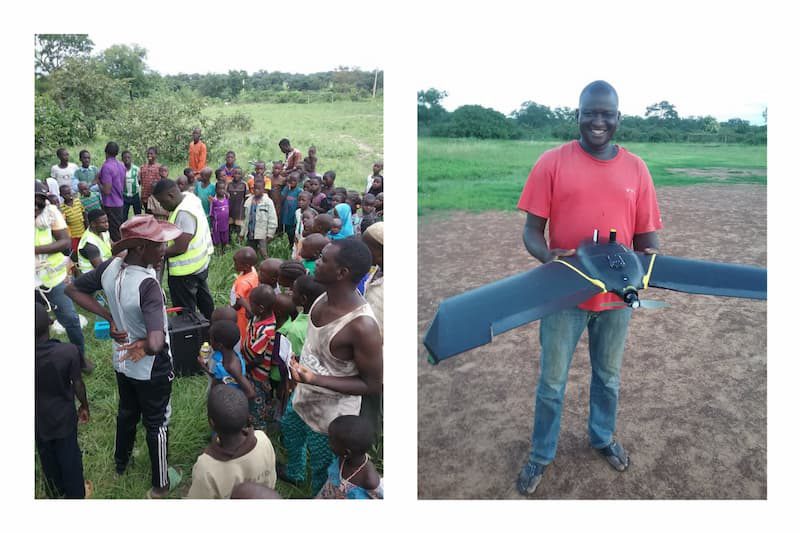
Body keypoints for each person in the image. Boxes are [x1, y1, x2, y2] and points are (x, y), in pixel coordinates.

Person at [514, 80, 663, 496]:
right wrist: (548, 259)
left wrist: (645, 266)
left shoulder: (637, 169)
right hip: (564, 293)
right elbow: (531, 232)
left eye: (607, 114)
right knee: (552, 382)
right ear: (577, 115)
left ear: (618, 118)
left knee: (609, 377)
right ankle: (541, 455)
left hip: (615, 299)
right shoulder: (552, 162)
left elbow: (649, 239)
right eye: (590, 113)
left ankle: (602, 437)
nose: (599, 121)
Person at [66, 215, 184, 498]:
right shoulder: (148, 285)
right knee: (156, 422)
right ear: (141, 247)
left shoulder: (110, 268)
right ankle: (160, 485)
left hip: (121, 361)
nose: (164, 248)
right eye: (159, 244)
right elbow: (156, 342)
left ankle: (121, 463)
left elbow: (72, 288)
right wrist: (144, 340)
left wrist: (109, 316)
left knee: (127, 412)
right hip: (151, 368)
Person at [281, 239, 383, 494]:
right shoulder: (321, 298)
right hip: (303, 394)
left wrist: (315, 379)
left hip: (331, 417)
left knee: (322, 466)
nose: (316, 261)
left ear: (342, 272)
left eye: (323, 259)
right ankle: (294, 472)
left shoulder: (362, 326)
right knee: (289, 430)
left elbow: (372, 384)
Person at [35, 302, 90, 499]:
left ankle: (55, 493)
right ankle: (76, 494)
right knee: (70, 458)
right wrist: (84, 406)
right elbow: (77, 384)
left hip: (39, 420)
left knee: (46, 457)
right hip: (64, 419)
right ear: (50, 324)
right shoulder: (67, 351)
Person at [35, 181, 91, 373]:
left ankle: (80, 358)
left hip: (53, 279)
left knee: (70, 319)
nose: (35, 205)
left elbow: (65, 243)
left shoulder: (51, 213)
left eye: (40, 200)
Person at [186, 386, 277, 499]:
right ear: (247, 417)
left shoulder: (206, 467)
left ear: (211, 423)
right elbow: (271, 483)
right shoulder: (263, 440)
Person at [153, 179, 215, 321]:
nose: (162, 206)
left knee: (186, 313)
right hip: (200, 265)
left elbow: (180, 247)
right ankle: (212, 326)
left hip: (184, 272)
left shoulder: (183, 213)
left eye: (162, 202)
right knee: (204, 300)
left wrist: (158, 253)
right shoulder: (189, 197)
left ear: (171, 195)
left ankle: (192, 338)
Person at [316, 415, 383, 499]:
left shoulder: (369, 479)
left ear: (347, 452)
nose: (328, 443)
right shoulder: (343, 458)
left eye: (331, 441)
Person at [242, 285, 279, 430]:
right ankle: (267, 416)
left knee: (256, 399)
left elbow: (258, 358)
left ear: (261, 308)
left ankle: (259, 429)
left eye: (252, 304)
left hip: (257, 373)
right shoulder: (259, 316)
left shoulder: (266, 331)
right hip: (251, 366)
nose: (249, 306)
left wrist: (243, 369)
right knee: (262, 397)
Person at [360, 222, 384, 438]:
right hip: (368, 347)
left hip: (377, 350)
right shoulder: (377, 271)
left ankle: (370, 438)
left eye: (367, 247)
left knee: (374, 397)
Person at [198, 320, 255, 397]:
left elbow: (251, 393)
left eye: (211, 339)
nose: (210, 341)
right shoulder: (235, 354)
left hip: (225, 400)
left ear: (220, 345)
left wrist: (203, 366)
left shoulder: (229, 367)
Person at [241, 179, 278, 260]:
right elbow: (246, 218)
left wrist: (270, 233)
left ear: (263, 189)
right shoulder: (249, 201)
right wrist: (242, 232)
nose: (256, 190)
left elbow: (272, 219)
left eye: (259, 189)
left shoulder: (268, 202)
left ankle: (267, 267)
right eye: (254, 188)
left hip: (262, 233)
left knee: (263, 252)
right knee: (250, 252)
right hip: (250, 232)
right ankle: (252, 268)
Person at [97, 141, 126, 242]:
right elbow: (124, 184)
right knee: (118, 230)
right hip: (120, 202)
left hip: (110, 204)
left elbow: (107, 190)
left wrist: (98, 184)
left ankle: (119, 254)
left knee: (113, 234)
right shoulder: (122, 165)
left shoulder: (106, 167)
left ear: (106, 152)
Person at [231, 247, 260, 343]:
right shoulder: (252, 271)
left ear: (246, 266)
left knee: (241, 333)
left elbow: (239, 302)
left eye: (236, 263)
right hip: (248, 308)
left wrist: (231, 309)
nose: (234, 265)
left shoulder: (243, 283)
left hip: (241, 314)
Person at [77, 209, 112, 274]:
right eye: (103, 222)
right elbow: (100, 269)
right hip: (93, 275)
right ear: (93, 224)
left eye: (107, 221)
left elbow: (112, 245)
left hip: (106, 266)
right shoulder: (90, 244)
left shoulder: (103, 231)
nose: (107, 224)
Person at [58, 184, 86, 256]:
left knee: (86, 248)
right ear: (61, 195)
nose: (68, 195)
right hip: (73, 235)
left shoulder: (77, 201)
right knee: (76, 251)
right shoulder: (62, 207)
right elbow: (65, 223)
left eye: (69, 193)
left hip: (83, 231)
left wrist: (87, 228)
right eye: (65, 194)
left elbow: (84, 215)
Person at [227, 168, 248, 245]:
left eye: (239, 174)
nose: (237, 175)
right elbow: (226, 196)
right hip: (230, 209)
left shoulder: (244, 184)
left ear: (242, 175)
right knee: (229, 226)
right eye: (235, 173)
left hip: (240, 209)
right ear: (232, 174)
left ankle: (238, 242)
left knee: (239, 227)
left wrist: (244, 208)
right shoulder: (229, 184)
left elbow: (246, 197)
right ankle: (229, 241)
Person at [209, 181, 230, 255]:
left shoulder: (226, 199)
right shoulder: (214, 201)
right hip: (217, 226)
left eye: (223, 189)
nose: (221, 190)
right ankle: (218, 253)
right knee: (217, 241)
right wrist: (211, 226)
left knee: (225, 240)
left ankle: (224, 252)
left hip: (225, 225)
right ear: (216, 190)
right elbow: (211, 215)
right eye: (219, 189)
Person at [121, 150, 142, 221]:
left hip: (135, 195)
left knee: (138, 215)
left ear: (131, 158)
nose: (127, 159)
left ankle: (138, 229)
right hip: (124, 196)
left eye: (128, 157)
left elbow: (139, 181)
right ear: (122, 159)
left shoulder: (136, 169)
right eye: (125, 158)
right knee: (123, 216)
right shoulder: (120, 169)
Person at [139, 147, 161, 212]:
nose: (149, 155)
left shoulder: (159, 167)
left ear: (156, 155)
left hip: (155, 198)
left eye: (151, 154)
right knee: (147, 215)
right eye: (148, 153)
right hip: (145, 197)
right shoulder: (143, 167)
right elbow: (140, 183)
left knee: (155, 216)